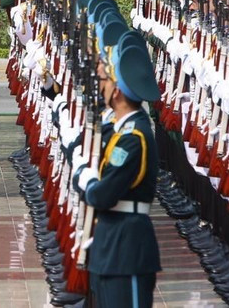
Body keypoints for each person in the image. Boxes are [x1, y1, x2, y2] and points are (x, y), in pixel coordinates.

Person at [72, 26, 161, 308]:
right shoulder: (122, 131)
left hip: (127, 247)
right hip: (111, 244)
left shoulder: (133, 139)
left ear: (119, 91)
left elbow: (102, 195)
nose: (100, 85)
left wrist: (84, 179)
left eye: (105, 80)